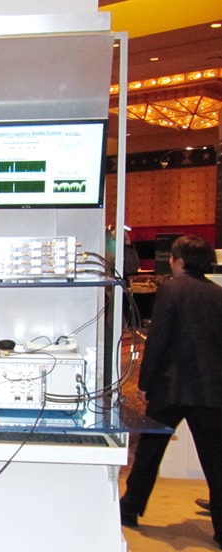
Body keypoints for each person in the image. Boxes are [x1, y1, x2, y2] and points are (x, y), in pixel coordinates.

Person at [119, 235, 222, 549]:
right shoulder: (218, 294)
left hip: (171, 387)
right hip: (211, 389)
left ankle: (131, 507)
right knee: (216, 459)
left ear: (179, 261)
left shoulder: (171, 290)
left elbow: (159, 340)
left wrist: (145, 383)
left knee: (150, 450)